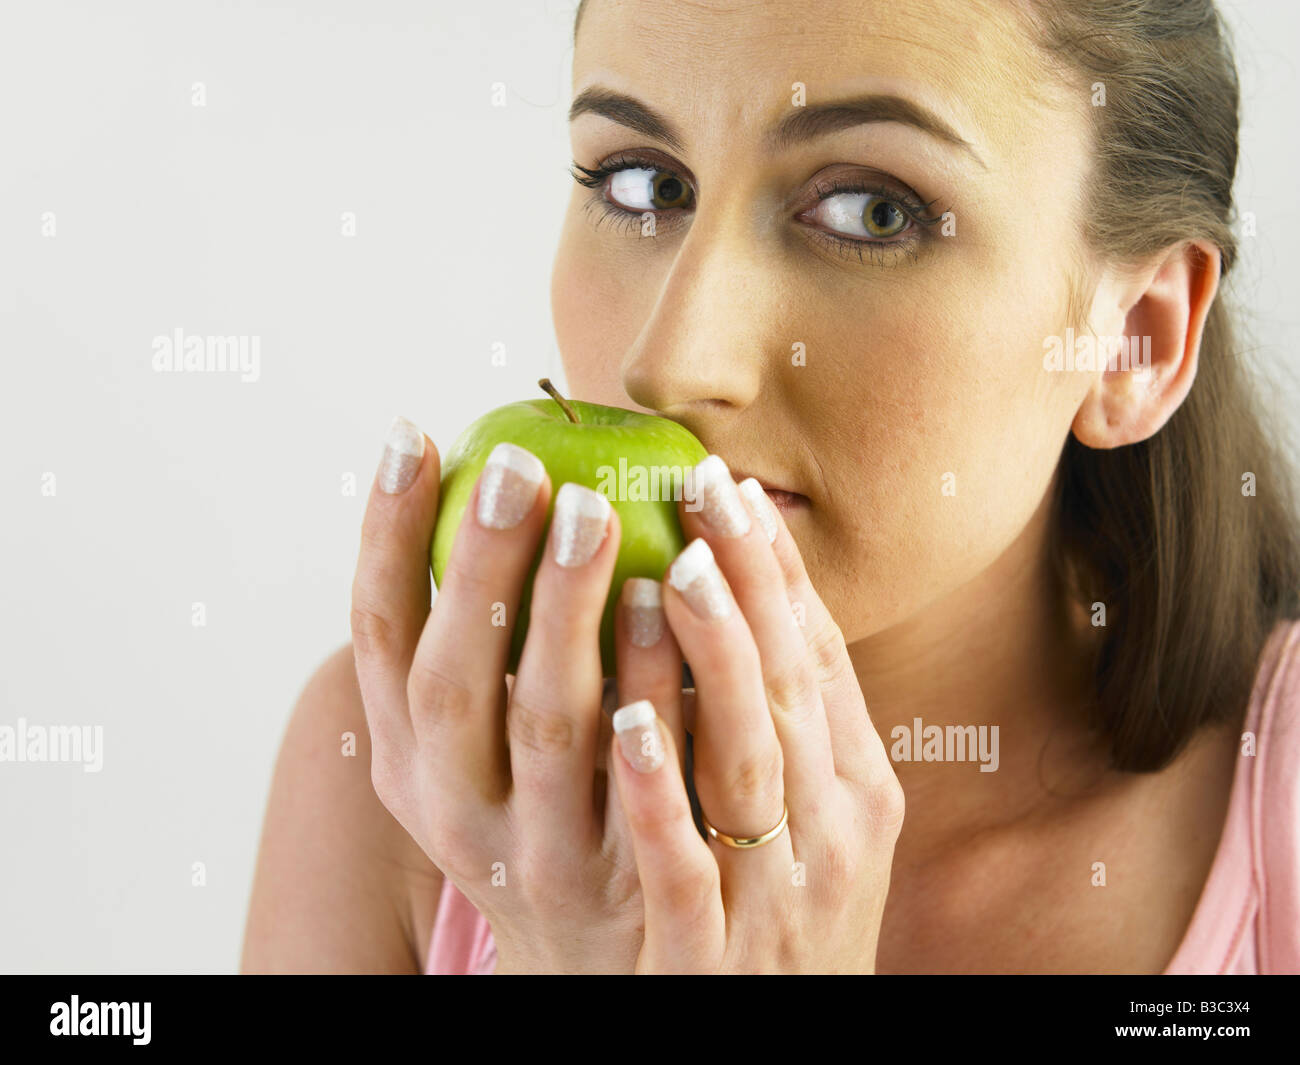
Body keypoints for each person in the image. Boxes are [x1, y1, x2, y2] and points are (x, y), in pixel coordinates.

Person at [242, 0, 1300, 974]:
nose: (674, 360)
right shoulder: (409, 783)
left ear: (1133, 343)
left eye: (871, 212)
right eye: (642, 183)